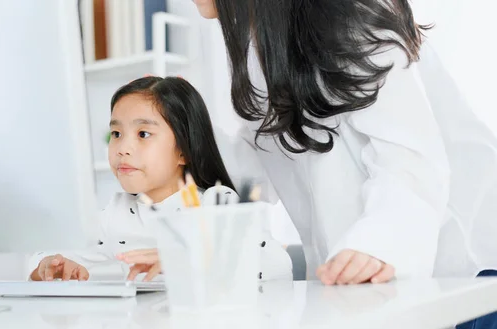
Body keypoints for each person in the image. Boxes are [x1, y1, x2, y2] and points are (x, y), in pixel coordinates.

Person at [189, 1, 497, 327]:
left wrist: (379, 243)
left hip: (465, 272)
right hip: (372, 279)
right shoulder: (263, 50)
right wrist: (176, 126)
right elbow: (256, 171)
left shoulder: (349, 18)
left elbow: (411, 162)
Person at [28, 76, 293, 282]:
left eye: (143, 134)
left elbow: (275, 263)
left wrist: (186, 259)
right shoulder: (116, 213)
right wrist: (50, 266)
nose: (122, 148)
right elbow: (56, 257)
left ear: (183, 150)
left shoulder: (217, 204)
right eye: (116, 134)